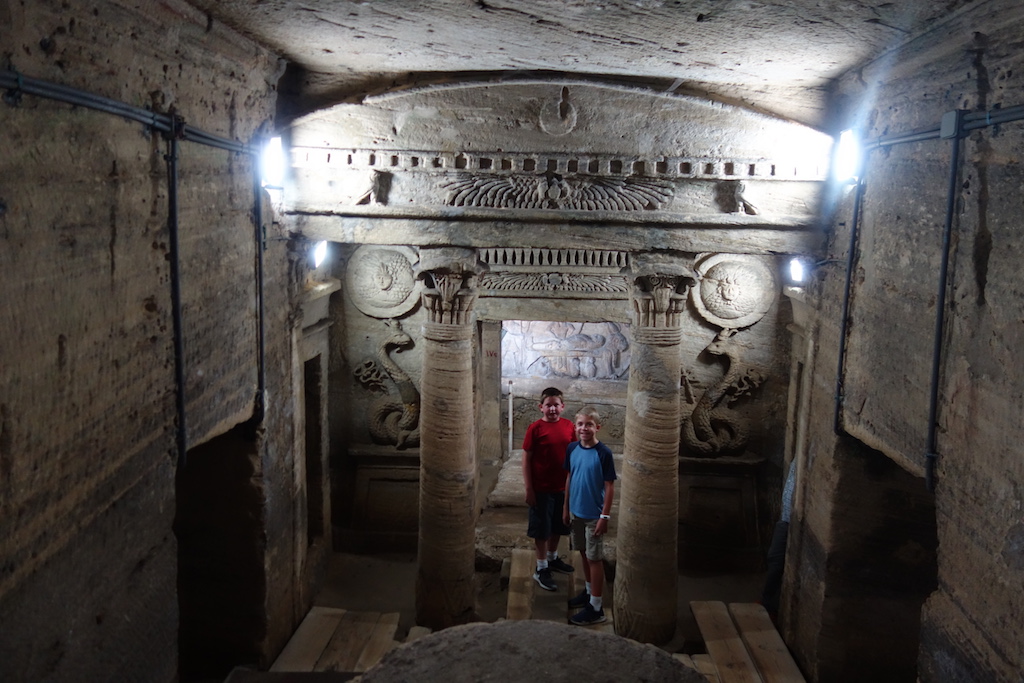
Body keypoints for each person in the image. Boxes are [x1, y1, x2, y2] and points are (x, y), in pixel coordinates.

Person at [562, 406, 616, 625]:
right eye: (580, 424)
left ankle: (596, 607)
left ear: (597, 428)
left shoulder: (603, 453)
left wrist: (604, 517)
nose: (584, 428)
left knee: (594, 559)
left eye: (589, 424)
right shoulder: (572, 449)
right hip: (576, 512)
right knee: (583, 553)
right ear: (575, 427)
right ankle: (587, 591)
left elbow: (609, 487)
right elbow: (569, 478)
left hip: (594, 515)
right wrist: (566, 508)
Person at [522, 387, 576, 591]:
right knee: (542, 528)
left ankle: (552, 558)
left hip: (562, 487)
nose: (552, 409)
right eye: (548, 405)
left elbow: (573, 455)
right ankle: (541, 567)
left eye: (556, 405)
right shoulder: (535, 428)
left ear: (562, 407)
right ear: (540, 407)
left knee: (558, 525)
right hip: (541, 488)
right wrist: (529, 488)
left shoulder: (569, 426)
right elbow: (526, 458)